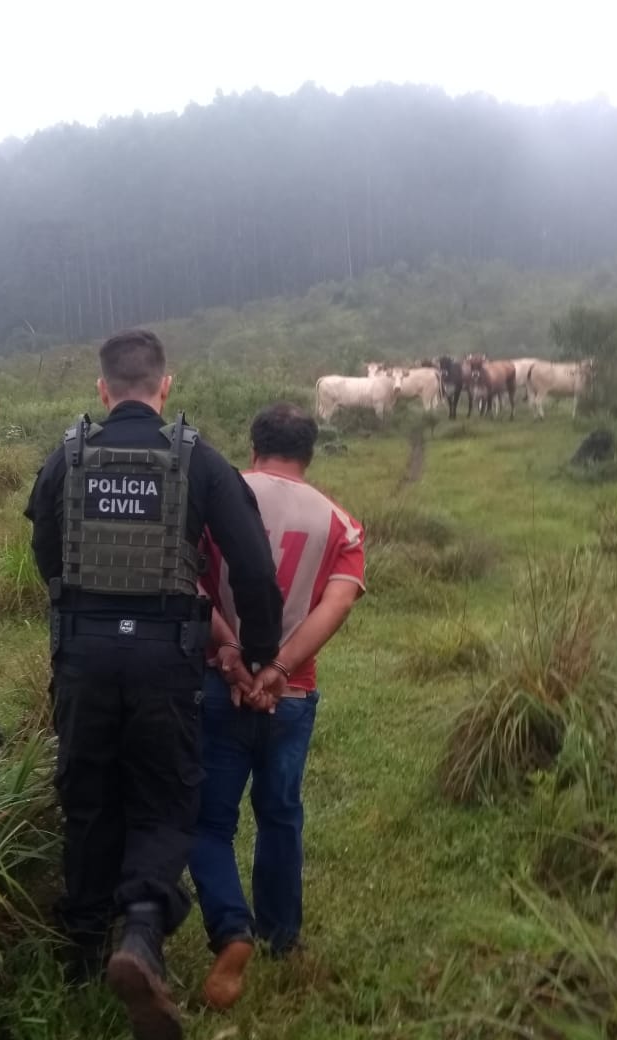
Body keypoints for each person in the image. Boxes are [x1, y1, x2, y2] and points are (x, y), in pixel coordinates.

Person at [24, 328, 284, 1040]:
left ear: (103, 391)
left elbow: (44, 545)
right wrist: (260, 652)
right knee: (164, 797)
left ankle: (80, 949)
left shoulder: (69, 454)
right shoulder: (196, 458)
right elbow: (254, 568)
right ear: (165, 388)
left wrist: (78, 608)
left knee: (88, 791)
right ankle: (140, 931)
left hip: (81, 654)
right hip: (166, 657)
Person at [189, 402, 366, 1011]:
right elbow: (337, 603)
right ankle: (281, 937)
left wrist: (234, 655)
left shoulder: (218, 500)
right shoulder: (339, 522)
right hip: (291, 696)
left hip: (220, 684)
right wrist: (282, 669)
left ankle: (232, 928)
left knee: (208, 822)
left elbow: (190, 584)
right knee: (281, 815)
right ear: (309, 454)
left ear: (254, 445)